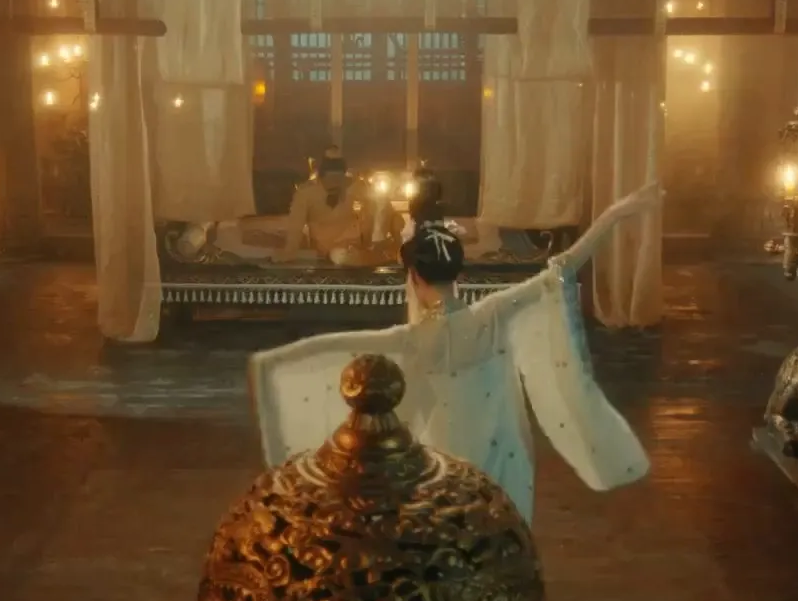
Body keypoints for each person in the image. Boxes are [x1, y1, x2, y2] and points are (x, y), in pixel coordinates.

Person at [247, 181, 663, 521]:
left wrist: (272, 365)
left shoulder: (408, 342)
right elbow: (564, 266)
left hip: (440, 480)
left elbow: (331, 351)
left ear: (413, 276)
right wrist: (617, 212)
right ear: (459, 271)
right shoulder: (493, 315)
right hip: (499, 473)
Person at [273, 148, 391, 265]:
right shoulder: (306, 194)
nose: (335, 183)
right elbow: (296, 226)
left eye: (339, 178)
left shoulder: (355, 187)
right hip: (323, 254)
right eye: (331, 179)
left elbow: (379, 208)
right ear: (321, 177)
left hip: (353, 249)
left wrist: (370, 240)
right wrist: (290, 251)